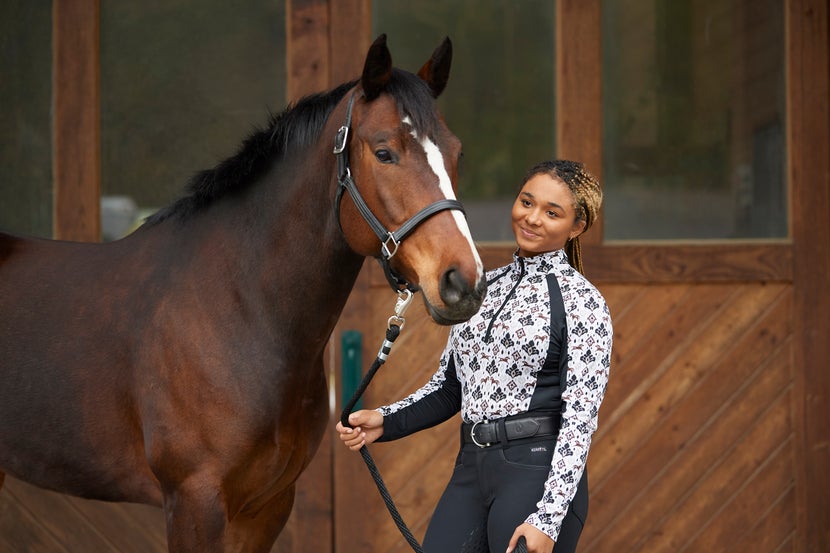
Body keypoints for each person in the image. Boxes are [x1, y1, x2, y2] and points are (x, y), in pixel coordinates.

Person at [337, 160, 613, 553]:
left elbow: (579, 420)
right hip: (471, 470)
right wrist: (386, 420)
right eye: (526, 202)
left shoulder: (584, 303)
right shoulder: (486, 287)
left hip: (536, 474)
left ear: (577, 226)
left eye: (552, 213)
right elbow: (449, 389)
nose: (532, 218)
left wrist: (549, 517)